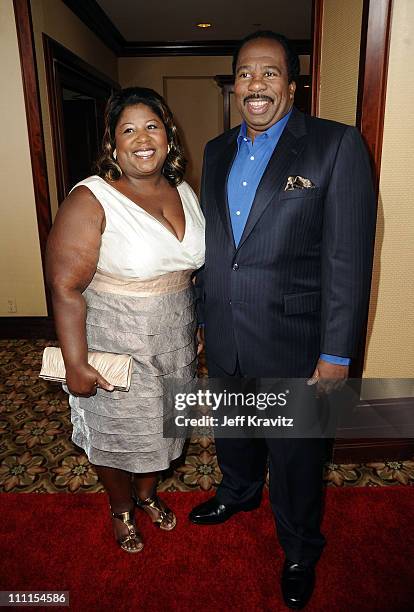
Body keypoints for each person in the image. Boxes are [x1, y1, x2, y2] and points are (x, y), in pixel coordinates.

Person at [189, 31, 376, 608]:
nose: (256, 84)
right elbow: (217, 248)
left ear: (291, 86)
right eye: (246, 73)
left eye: (270, 73)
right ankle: (239, 491)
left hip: (296, 341)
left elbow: (347, 260)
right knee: (235, 432)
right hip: (225, 334)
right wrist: (202, 320)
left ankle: (299, 547)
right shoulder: (216, 151)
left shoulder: (335, 146)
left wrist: (337, 354)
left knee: (296, 459)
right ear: (235, 86)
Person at [46, 87, 205, 553]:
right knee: (117, 435)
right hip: (113, 340)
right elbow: (64, 286)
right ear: (113, 144)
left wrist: (194, 327)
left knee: (161, 427)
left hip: (173, 337)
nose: (142, 138)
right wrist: (76, 362)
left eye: (152, 126)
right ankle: (121, 510)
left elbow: (186, 273)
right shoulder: (91, 197)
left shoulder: (184, 190)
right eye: (128, 129)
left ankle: (147, 494)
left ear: (168, 136)